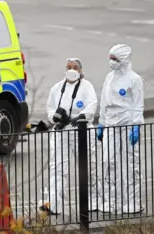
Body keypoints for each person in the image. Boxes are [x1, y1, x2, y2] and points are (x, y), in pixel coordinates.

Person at [40, 58, 99, 215]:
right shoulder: (57, 88)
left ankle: (91, 201)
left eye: (75, 67)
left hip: (81, 131)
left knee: (87, 166)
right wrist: (57, 117)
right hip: (61, 133)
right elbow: (51, 108)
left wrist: (80, 117)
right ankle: (54, 204)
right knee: (58, 168)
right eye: (68, 67)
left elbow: (92, 105)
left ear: (80, 70)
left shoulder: (87, 87)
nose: (72, 70)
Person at [96, 44, 144, 214]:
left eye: (115, 59)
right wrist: (101, 122)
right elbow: (103, 100)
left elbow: (138, 105)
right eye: (110, 58)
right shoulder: (109, 77)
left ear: (123, 60)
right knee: (108, 162)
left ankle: (132, 201)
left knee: (131, 163)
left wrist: (136, 126)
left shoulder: (134, 79)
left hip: (127, 124)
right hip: (110, 124)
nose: (111, 62)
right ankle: (112, 201)